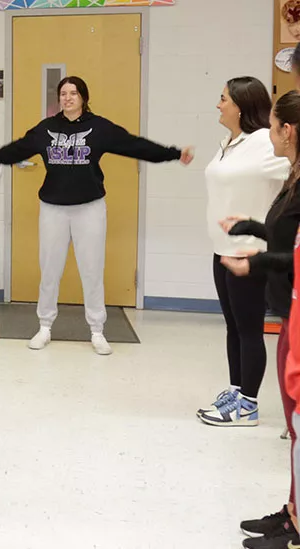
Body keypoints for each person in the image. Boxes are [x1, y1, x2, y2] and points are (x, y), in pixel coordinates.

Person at [0, 76, 193, 354]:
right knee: (50, 270)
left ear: (83, 97)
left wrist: (173, 153)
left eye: (73, 93)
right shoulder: (47, 129)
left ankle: (97, 330)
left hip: (90, 209)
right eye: (63, 94)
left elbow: (134, 145)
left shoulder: (99, 128)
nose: (68, 98)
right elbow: (19, 147)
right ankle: (44, 326)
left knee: (92, 270)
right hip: (53, 209)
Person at [225, 90, 300, 549]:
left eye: (272, 126)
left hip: (298, 310)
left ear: (288, 132)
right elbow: (284, 232)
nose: (267, 133)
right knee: (294, 427)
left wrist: (254, 263)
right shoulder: (294, 177)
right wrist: (251, 226)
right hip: (289, 313)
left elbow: (295, 255)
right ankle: (293, 512)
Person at [199, 77, 289, 429]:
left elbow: (291, 172)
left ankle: (248, 405)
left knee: (250, 328)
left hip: (250, 251)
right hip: (222, 249)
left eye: (223, 99)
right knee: (233, 327)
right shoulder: (229, 143)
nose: (218, 105)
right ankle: (237, 390)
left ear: (240, 104)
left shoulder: (264, 144)